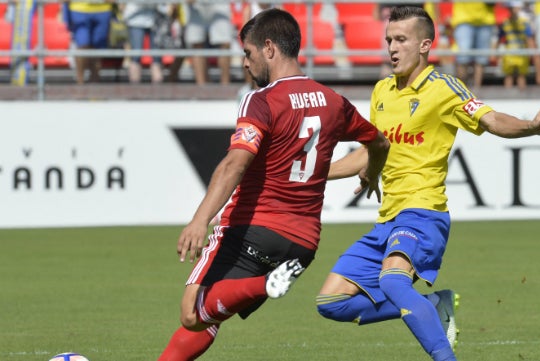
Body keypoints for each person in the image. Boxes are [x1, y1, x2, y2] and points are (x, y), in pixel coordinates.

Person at [315, 6, 540, 361]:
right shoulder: (382, 90)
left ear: (425, 45)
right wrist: (314, 174)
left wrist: (529, 127)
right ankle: (433, 304)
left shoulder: (443, 87)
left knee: (392, 282)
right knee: (331, 302)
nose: (392, 48)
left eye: (401, 40)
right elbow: (373, 151)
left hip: (423, 213)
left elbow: (491, 119)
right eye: (389, 40)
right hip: (387, 219)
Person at [157, 8, 390, 361]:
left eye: (248, 54)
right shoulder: (333, 102)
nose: (246, 65)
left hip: (251, 229)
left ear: (269, 48)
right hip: (302, 245)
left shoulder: (262, 100)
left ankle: (265, 284)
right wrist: (370, 171)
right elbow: (380, 144)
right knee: (213, 316)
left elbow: (236, 163)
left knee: (192, 312)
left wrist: (199, 219)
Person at [182, 0, 233, 85]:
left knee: (225, 42)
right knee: (196, 42)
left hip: (219, 4)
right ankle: (201, 87)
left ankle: (225, 86)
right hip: (196, 5)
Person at [65, 0, 113, 84]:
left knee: (97, 49)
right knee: (82, 46)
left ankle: (94, 87)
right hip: (79, 9)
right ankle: (80, 84)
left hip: (103, 9)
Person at [122, 3, 172, 83]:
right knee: (136, 56)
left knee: (157, 57)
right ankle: (135, 91)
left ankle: (157, 92)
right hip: (135, 19)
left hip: (156, 18)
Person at [450, 1, 496, 88]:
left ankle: (477, 92)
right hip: (463, 19)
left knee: (481, 59)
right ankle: (461, 91)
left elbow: (492, 3)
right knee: (462, 57)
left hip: (485, 20)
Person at [496, 1, 536, 90]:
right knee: (508, 75)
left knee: (521, 76)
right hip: (508, 53)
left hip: (522, 53)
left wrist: (532, 53)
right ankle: (507, 96)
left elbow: (529, 38)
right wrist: (495, 52)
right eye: (511, 8)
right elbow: (499, 38)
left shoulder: (524, 23)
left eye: (515, 8)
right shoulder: (505, 22)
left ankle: (522, 96)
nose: (513, 10)